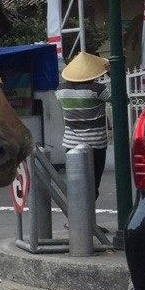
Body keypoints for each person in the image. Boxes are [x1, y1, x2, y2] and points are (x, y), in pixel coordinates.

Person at [55, 51, 111, 200]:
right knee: (93, 185)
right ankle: (88, 221)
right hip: (96, 144)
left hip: (71, 144)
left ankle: (76, 220)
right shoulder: (98, 90)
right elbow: (122, 99)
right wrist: (112, 74)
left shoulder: (61, 91)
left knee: (76, 184)